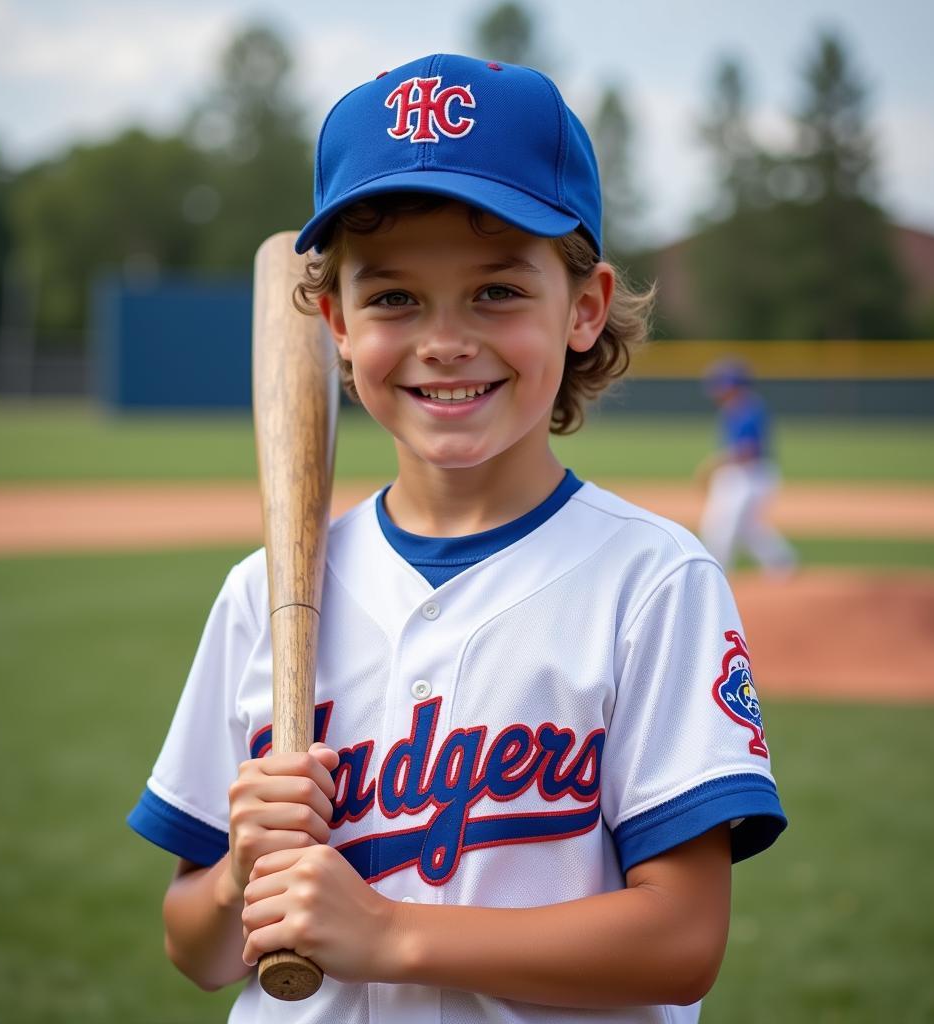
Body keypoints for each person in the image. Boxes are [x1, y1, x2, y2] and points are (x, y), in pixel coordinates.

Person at [128, 54, 787, 1023]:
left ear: (585, 307)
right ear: (333, 322)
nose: (445, 338)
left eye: (495, 292)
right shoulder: (263, 593)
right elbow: (195, 944)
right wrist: (238, 875)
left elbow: (681, 940)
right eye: (392, 296)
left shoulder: (652, 582)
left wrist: (392, 933)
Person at [696, 360, 798, 575]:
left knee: (720, 526)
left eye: (723, 384)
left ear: (735, 385)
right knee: (745, 527)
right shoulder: (735, 408)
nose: (718, 390)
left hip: (751, 475)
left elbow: (747, 450)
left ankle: (714, 572)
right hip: (743, 475)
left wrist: (713, 465)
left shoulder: (748, 409)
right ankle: (782, 562)